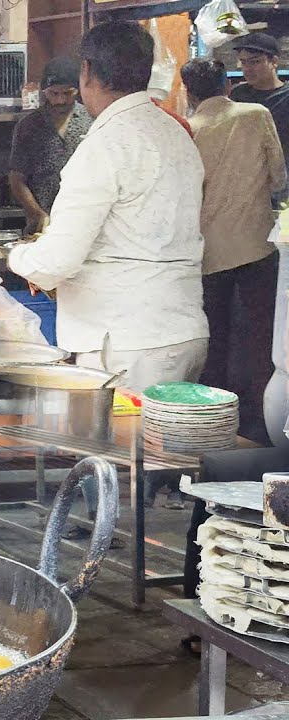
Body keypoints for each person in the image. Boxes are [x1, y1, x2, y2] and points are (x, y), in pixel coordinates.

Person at [8, 21, 207, 391]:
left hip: (127, 342)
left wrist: (18, 257)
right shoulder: (175, 132)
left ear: (86, 71)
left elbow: (56, 262)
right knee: (171, 448)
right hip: (183, 329)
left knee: (120, 447)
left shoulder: (104, 145)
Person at [183, 58, 287, 447]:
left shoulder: (189, 130)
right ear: (227, 85)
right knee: (261, 340)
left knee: (214, 342)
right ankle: (257, 430)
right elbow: (278, 176)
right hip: (257, 249)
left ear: (190, 93)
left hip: (207, 255)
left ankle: (213, 430)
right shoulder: (256, 114)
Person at [9, 58, 93, 236]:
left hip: (84, 220)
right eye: (53, 93)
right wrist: (37, 213)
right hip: (41, 221)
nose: (60, 100)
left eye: (67, 93)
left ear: (78, 89)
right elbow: (17, 179)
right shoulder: (29, 126)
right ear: (44, 91)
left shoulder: (92, 120)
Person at [230, 32, 289, 177]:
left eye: (255, 62)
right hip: (246, 177)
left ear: (274, 61)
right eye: (243, 62)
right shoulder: (237, 95)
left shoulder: (286, 96)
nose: (247, 68)